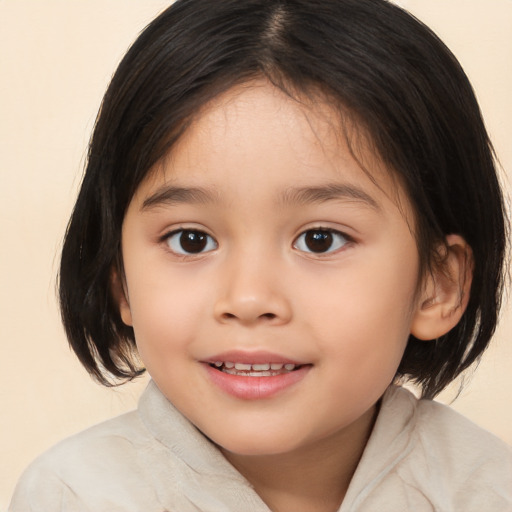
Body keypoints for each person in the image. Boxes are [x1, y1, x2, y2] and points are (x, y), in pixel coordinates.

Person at [9, 0, 512, 510]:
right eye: (191, 240)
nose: (248, 299)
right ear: (121, 281)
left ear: (437, 284)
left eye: (320, 239)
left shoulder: (486, 490)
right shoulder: (74, 495)